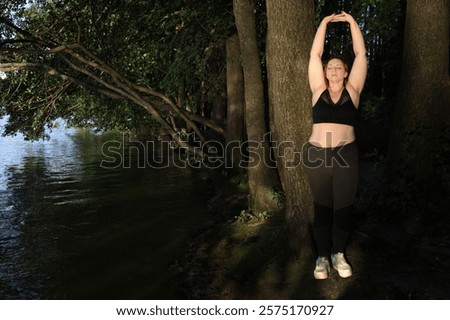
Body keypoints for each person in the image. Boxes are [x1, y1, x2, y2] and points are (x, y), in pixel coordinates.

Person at [305, 11, 367, 280]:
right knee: (322, 206)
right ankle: (321, 256)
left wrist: (352, 22)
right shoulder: (317, 89)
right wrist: (323, 23)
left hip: (346, 155)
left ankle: (338, 254)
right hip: (317, 154)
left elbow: (361, 55)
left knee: (343, 205)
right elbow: (314, 56)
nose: (332, 69)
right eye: (330, 66)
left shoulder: (353, 91)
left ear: (345, 72)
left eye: (338, 66)